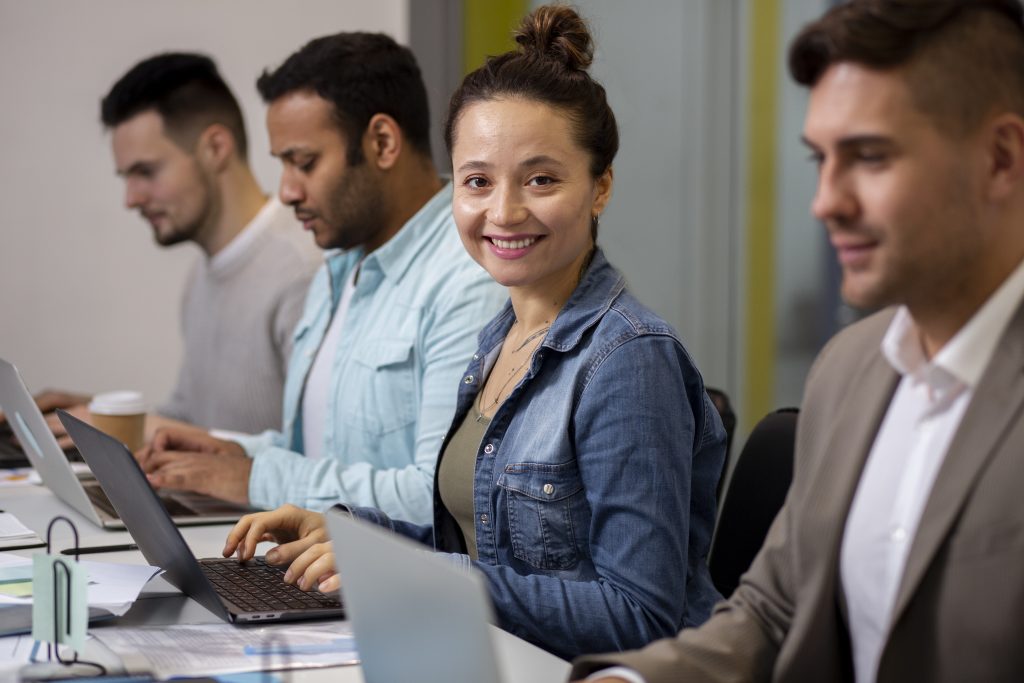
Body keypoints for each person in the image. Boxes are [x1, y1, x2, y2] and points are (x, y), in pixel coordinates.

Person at [221, 6, 727, 661]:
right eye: (478, 181)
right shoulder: (499, 338)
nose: (504, 211)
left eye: (541, 179)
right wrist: (350, 532)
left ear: (600, 187)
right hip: (486, 657)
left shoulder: (628, 360)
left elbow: (639, 614)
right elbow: (482, 544)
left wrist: (435, 579)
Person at [571, 1, 1024, 681]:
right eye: (820, 158)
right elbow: (776, 609)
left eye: (869, 157)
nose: (825, 201)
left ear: (1001, 158)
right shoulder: (849, 368)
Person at [136, 33, 505, 522]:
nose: (286, 191)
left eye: (304, 163)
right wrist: (230, 452)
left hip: (384, 584)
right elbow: (319, 452)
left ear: (382, 143)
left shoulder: (466, 280)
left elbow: (438, 498)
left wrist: (254, 478)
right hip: (313, 564)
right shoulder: (339, 266)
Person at [40, 53, 321, 436]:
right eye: (127, 177)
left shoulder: (303, 270)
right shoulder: (201, 277)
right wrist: (100, 418)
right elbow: (195, 423)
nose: (131, 199)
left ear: (215, 148)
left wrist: (134, 428)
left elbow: (314, 457)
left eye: (146, 172)